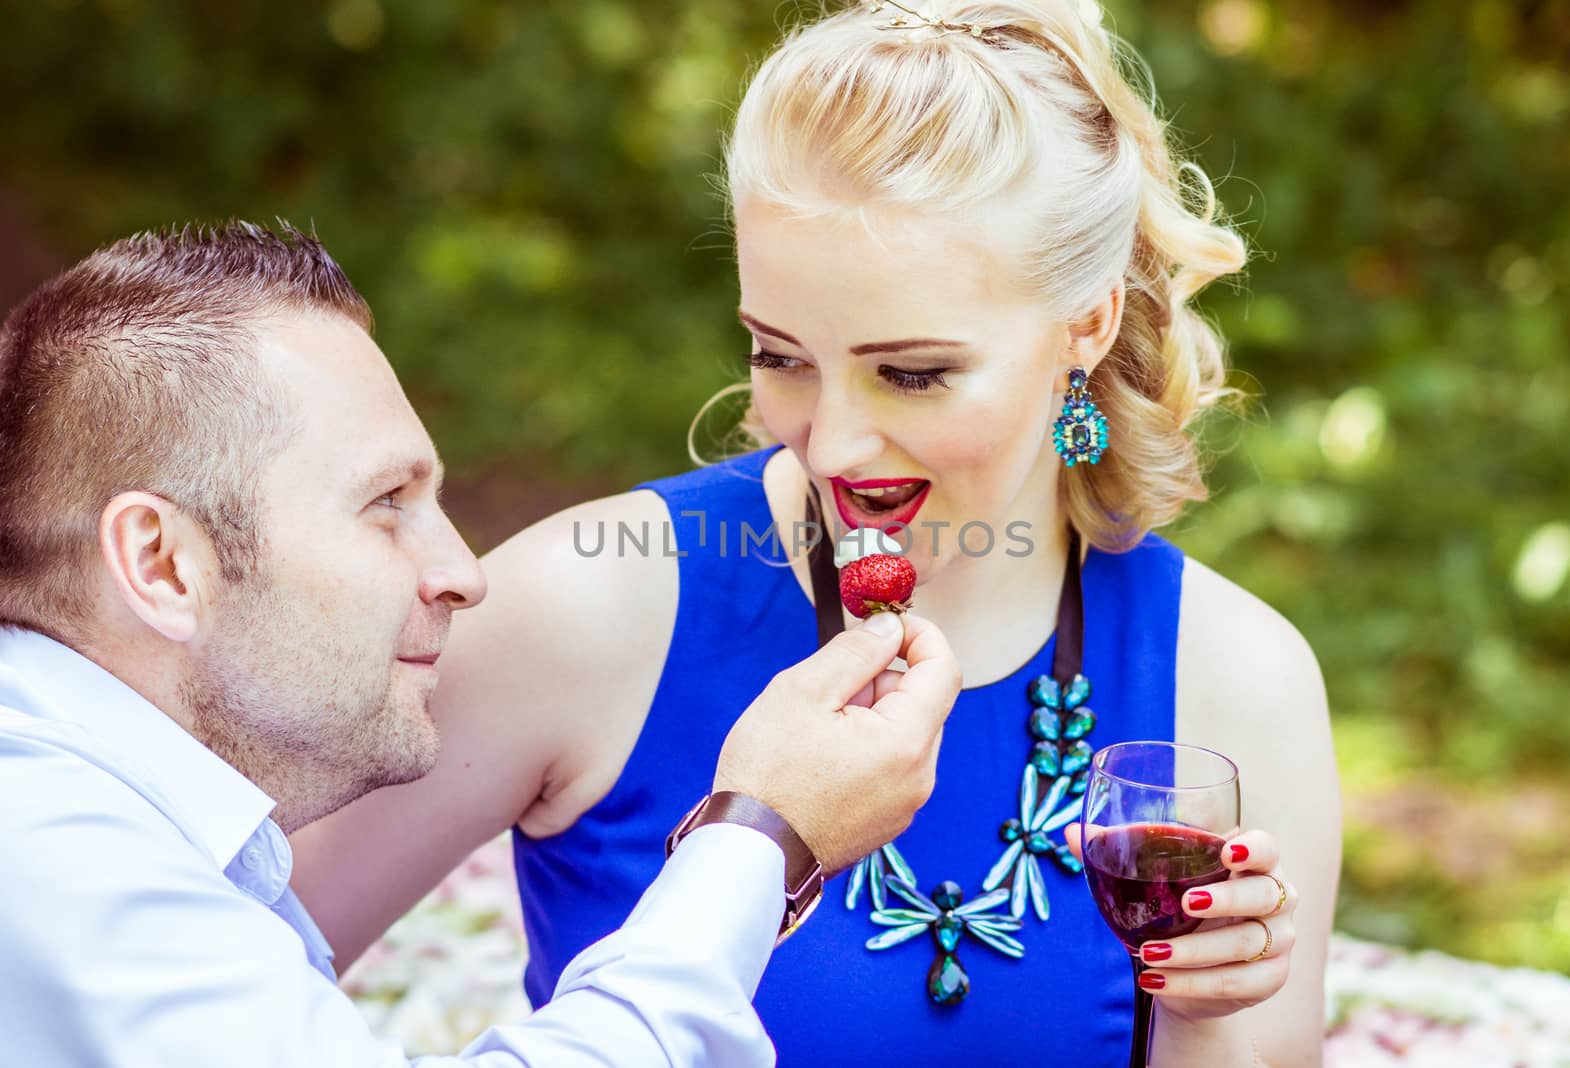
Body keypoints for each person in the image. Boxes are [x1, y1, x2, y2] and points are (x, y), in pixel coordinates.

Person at [292, 1, 1342, 1064]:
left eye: (911, 373)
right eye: (782, 355)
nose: (831, 446)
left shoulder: (1236, 680)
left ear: (1087, 324)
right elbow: (205, 978)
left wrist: (1208, 1014)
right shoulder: (580, 608)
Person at [0, 222, 962, 1067]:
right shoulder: (53, 864)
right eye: (387, 506)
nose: (467, 571)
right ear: (165, 564)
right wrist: (762, 833)